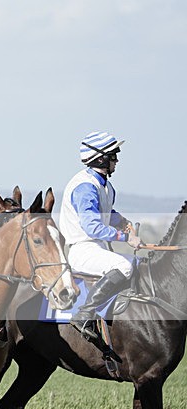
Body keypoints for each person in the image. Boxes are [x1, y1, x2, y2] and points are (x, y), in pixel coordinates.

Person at [60, 131, 141, 341]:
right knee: (124, 266)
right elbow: (92, 227)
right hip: (82, 249)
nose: (117, 160)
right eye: (113, 155)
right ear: (101, 158)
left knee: (138, 264)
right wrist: (126, 238)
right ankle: (84, 315)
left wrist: (121, 221)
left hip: (97, 247)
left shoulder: (105, 185)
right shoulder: (85, 187)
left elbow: (104, 213)